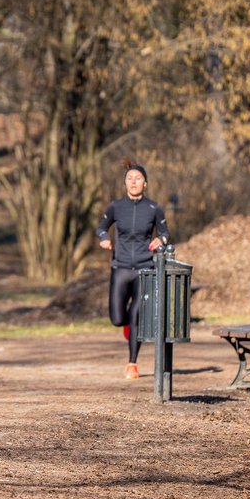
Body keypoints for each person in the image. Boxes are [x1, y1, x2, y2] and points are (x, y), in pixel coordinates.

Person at [96, 160, 170, 380]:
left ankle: (132, 363)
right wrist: (104, 238)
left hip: (145, 269)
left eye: (138, 178)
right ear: (125, 182)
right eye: (130, 178)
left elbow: (165, 233)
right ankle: (127, 327)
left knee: (136, 315)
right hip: (120, 267)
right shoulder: (116, 207)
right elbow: (101, 228)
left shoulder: (154, 208)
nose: (134, 182)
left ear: (145, 183)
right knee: (119, 318)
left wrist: (160, 241)